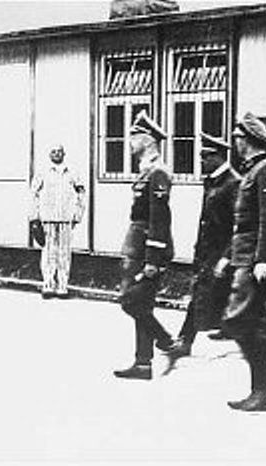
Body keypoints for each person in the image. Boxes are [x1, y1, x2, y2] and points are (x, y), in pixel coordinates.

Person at [222, 111, 266, 412]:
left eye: (236, 138)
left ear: (246, 140)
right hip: (245, 256)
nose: (234, 144)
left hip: (256, 259)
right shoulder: (253, 170)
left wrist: (263, 258)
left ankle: (263, 389)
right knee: (250, 322)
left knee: (242, 321)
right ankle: (261, 389)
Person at [113, 111, 176, 380]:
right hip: (138, 245)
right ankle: (143, 363)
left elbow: (158, 218)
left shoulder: (158, 172)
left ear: (148, 140)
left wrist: (152, 258)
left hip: (148, 247)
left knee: (131, 301)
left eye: (134, 137)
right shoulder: (147, 171)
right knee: (141, 303)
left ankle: (166, 341)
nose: (130, 142)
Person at [170, 133, 241, 357]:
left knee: (232, 298)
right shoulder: (212, 181)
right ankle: (186, 340)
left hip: (221, 252)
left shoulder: (233, 183)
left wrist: (227, 256)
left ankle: (259, 339)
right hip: (207, 251)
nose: (200, 162)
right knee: (202, 293)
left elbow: (239, 225)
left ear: (218, 157)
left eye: (205, 157)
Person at [30, 144, 86, 299]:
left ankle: (62, 286)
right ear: (49, 154)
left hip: (66, 219)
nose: (56, 154)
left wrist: (77, 215)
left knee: (64, 253)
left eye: (59, 151)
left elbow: (82, 192)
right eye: (53, 151)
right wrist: (34, 217)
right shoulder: (42, 172)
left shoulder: (72, 172)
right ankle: (48, 284)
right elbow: (33, 194)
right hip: (47, 218)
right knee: (48, 252)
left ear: (64, 153)